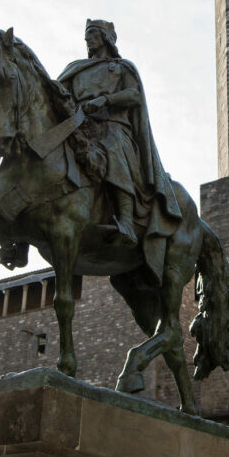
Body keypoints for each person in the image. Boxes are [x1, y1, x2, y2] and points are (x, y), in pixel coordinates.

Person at [58, 19, 181, 280]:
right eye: (86, 35)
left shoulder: (121, 68)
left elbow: (134, 95)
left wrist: (106, 100)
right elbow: (58, 94)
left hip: (113, 126)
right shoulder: (75, 69)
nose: (88, 40)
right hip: (80, 127)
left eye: (92, 34)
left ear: (105, 37)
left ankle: (126, 220)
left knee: (113, 146)